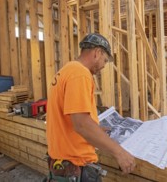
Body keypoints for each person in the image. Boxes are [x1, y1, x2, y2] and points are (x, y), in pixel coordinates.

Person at [46, 33, 136, 182]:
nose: (103, 66)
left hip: (61, 162)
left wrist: (96, 129)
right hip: (76, 165)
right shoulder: (80, 74)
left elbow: (72, 117)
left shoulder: (67, 70)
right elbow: (81, 124)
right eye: (105, 61)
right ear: (97, 53)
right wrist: (119, 152)